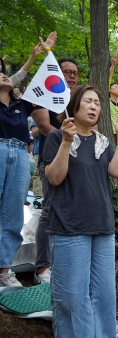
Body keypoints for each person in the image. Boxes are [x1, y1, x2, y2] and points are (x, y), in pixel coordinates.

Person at [44, 86, 118, 336]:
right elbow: (54, 178)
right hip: (69, 227)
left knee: (104, 296)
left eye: (97, 102)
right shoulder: (56, 137)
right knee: (72, 298)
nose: (94, 106)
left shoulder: (103, 142)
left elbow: (116, 171)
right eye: (88, 101)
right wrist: (65, 141)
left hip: (102, 226)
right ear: (74, 106)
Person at [0, 70, 46, 286]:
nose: (4, 76)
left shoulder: (22, 105)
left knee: (14, 213)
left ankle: (4, 269)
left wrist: (42, 54)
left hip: (19, 155)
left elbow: (40, 86)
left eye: (5, 75)